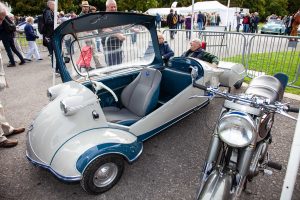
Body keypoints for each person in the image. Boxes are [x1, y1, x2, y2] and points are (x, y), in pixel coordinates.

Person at [102, 0, 125, 66]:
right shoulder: (103, 17)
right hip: (109, 48)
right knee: (112, 68)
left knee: (119, 67)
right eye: (111, 7)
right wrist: (117, 35)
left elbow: (123, 25)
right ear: (107, 7)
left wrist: (133, 28)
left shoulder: (116, 16)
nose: (114, 9)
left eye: (115, 7)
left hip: (118, 47)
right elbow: (105, 29)